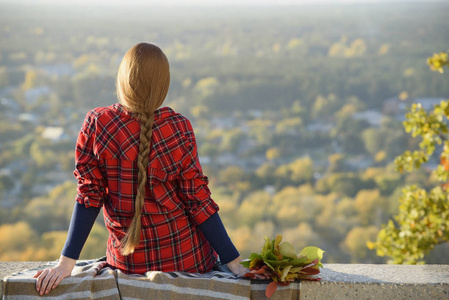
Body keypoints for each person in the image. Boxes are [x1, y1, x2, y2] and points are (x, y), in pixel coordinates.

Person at [34, 42, 249, 296]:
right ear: (162, 86)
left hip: (127, 263)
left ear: (123, 79)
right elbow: (198, 201)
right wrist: (234, 263)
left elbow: (89, 197)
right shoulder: (178, 127)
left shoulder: (97, 124)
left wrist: (65, 263)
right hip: (188, 259)